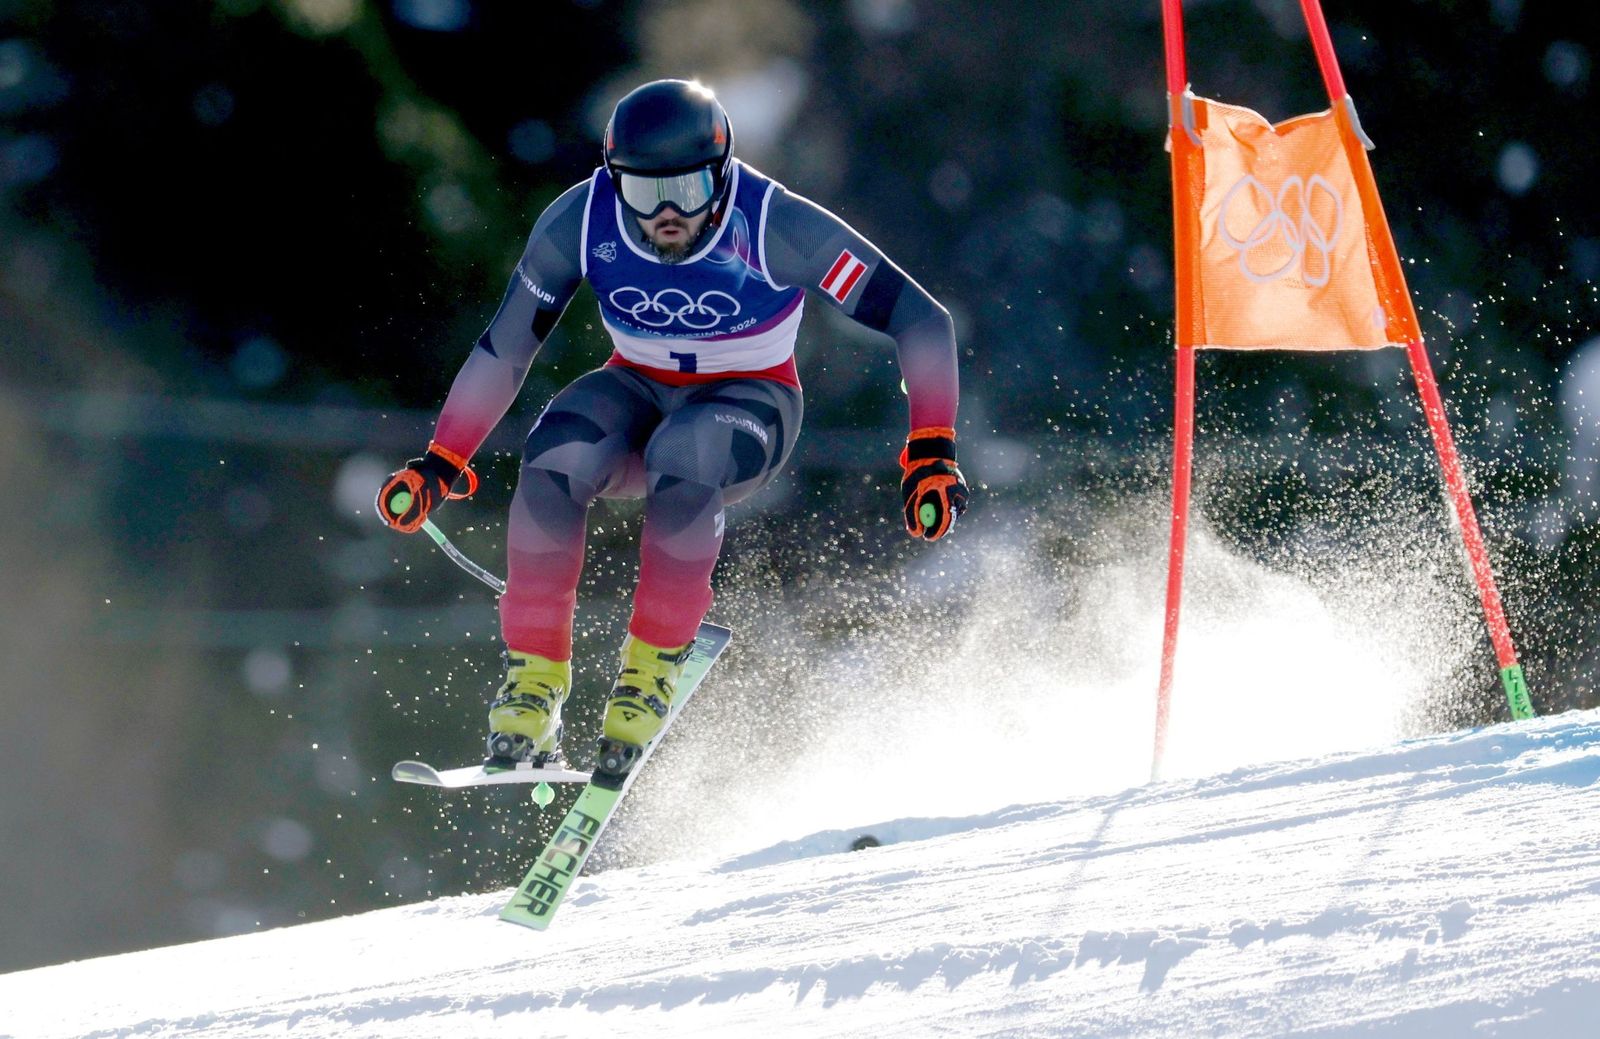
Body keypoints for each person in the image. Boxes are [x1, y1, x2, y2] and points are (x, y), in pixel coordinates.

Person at [377, 79, 967, 777]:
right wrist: (443, 459)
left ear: (721, 176)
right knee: (554, 452)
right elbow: (506, 347)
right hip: (638, 384)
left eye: (686, 193)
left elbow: (922, 319)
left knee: (682, 454)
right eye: (641, 192)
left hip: (751, 401)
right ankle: (532, 689)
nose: (663, 214)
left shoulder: (775, 225)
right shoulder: (583, 220)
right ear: (611, 178)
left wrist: (931, 448)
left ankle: (648, 672)